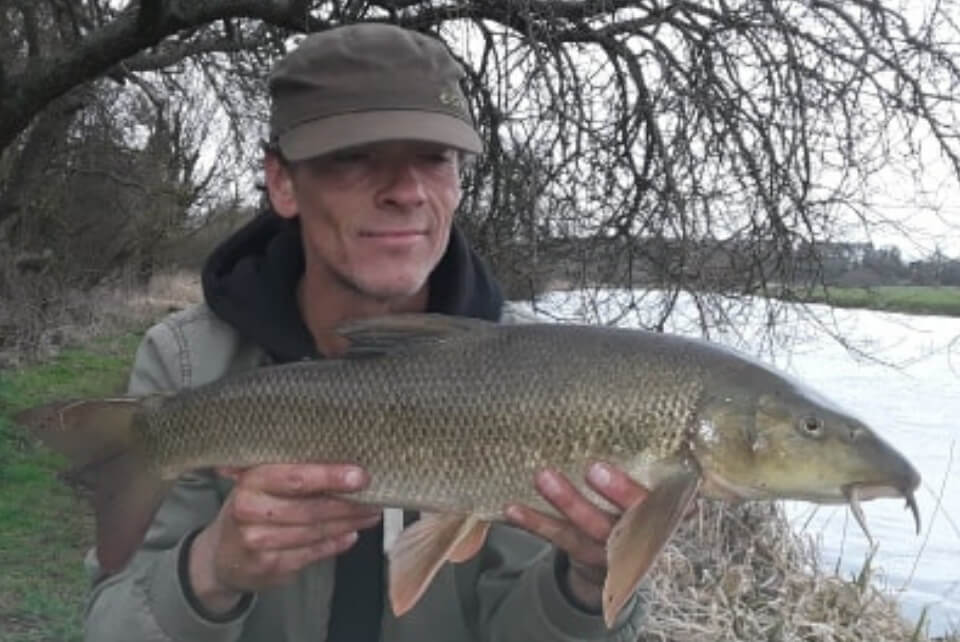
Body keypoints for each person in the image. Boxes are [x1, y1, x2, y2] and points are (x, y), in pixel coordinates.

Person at [83, 23, 651, 642]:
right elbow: (110, 626)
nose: (406, 192)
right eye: (355, 156)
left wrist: (587, 586)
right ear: (282, 182)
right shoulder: (189, 365)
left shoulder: (542, 377)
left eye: (434, 158)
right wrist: (211, 572)